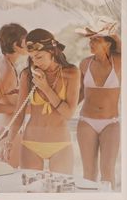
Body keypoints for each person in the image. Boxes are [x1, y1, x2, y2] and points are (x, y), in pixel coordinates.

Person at [6, 29, 81, 176]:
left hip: (61, 144)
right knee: (30, 194)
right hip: (31, 143)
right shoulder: (28, 75)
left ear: (52, 52)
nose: (35, 62)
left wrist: (45, 88)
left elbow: (68, 113)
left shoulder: (71, 73)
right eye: (32, 58)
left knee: (60, 195)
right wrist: (9, 140)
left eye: (39, 57)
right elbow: (19, 113)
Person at [76, 19, 121, 188]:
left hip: (111, 122)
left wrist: (111, 32)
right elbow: (79, 93)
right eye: (90, 39)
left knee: (108, 171)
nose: (91, 42)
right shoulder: (85, 64)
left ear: (108, 43)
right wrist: (62, 108)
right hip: (86, 121)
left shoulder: (120, 62)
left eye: (96, 39)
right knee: (89, 172)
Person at [0, 22, 27, 168]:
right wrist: (20, 109)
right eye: (26, 41)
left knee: (6, 172)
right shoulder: (8, 71)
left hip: (3, 126)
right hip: (10, 129)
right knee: (11, 173)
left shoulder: (0, 62)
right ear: (17, 45)